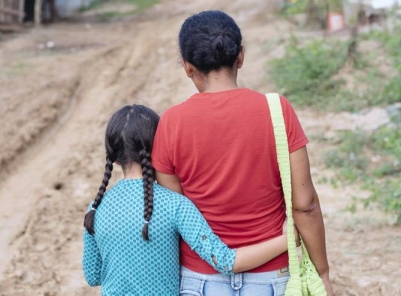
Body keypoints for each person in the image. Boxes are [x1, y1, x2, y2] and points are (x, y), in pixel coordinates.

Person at [151, 10, 334, 295]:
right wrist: (322, 272)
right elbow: (305, 205)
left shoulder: (171, 124)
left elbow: (177, 215)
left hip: (200, 280)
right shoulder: (277, 111)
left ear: (187, 66)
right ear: (241, 56)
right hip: (272, 277)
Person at [82, 104, 292, 295]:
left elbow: (93, 276)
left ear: (113, 155)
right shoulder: (174, 205)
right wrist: (289, 239)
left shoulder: (96, 208)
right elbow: (225, 261)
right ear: (158, 147)